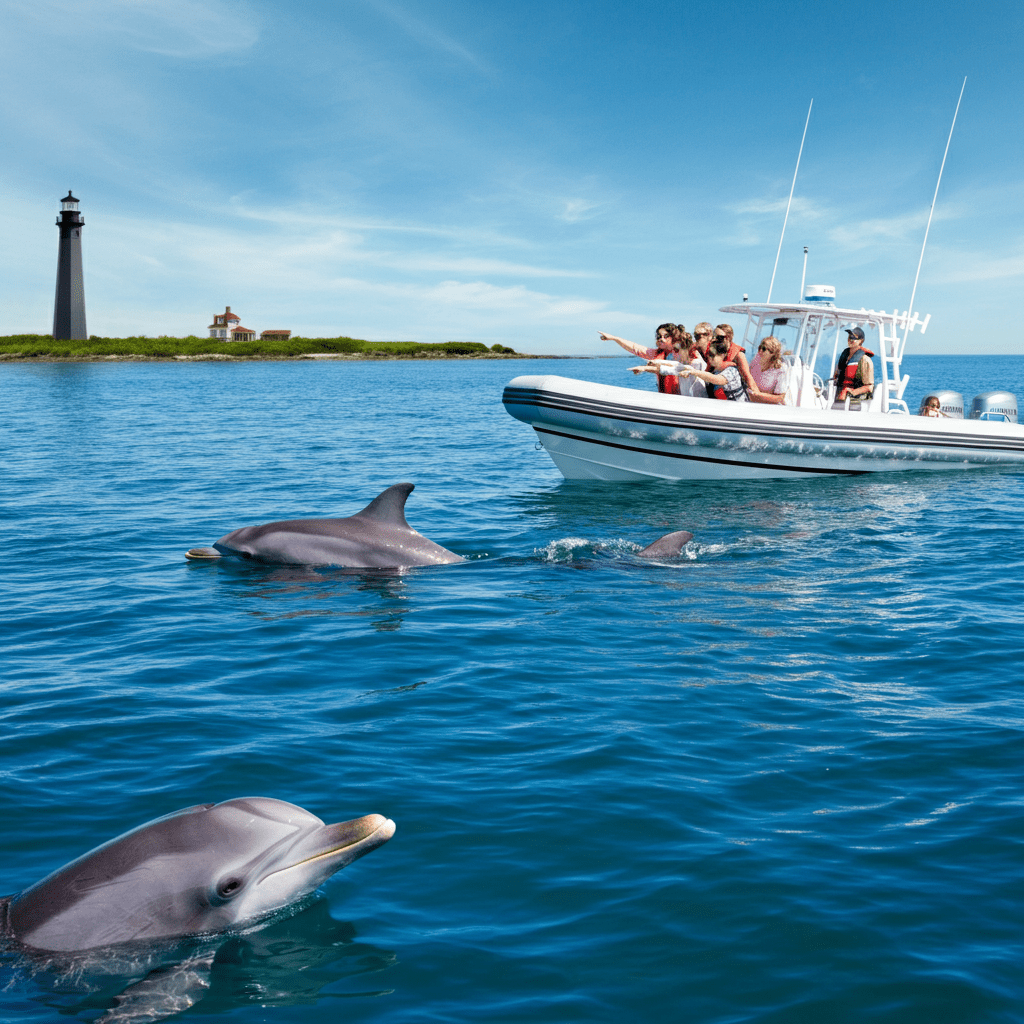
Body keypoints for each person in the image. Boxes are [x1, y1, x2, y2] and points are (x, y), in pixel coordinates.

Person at [599, 324, 682, 395]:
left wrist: (645, 368)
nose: (661, 339)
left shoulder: (682, 353)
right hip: (666, 397)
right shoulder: (656, 354)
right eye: (659, 336)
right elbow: (634, 348)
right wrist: (614, 338)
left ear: (673, 336)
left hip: (682, 397)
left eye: (666, 336)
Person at [677, 335, 748, 401]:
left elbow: (718, 379)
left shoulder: (731, 370)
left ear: (722, 355)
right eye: (708, 354)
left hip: (739, 409)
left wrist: (693, 372)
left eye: (712, 354)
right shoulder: (715, 371)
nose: (709, 357)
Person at [711, 324, 757, 395]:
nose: (715, 339)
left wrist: (756, 394)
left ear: (728, 338)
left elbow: (748, 378)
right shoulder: (714, 350)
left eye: (719, 337)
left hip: (733, 395)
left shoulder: (738, 355)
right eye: (713, 336)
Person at [833, 327, 874, 402]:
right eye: (850, 337)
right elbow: (836, 377)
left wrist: (852, 392)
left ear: (861, 340)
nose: (851, 340)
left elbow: (869, 387)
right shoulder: (844, 357)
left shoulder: (865, 360)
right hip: (839, 395)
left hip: (855, 400)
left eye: (854, 338)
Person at [748, 336, 791, 405]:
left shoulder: (781, 369)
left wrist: (758, 395)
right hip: (752, 402)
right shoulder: (756, 360)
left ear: (773, 353)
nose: (760, 351)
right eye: (760, 348)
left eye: (764, 349)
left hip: (770, 407)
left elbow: (780, 398)